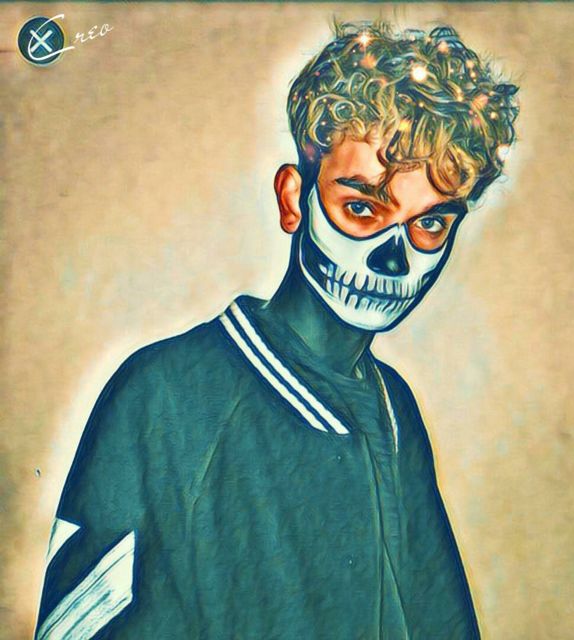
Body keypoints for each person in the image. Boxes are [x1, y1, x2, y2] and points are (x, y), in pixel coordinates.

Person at [34, 21, 518, 640]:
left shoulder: (393, 407)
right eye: (362, 208)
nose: (394, 260)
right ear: (293, 198)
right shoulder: (165, 394)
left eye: (430, 225)